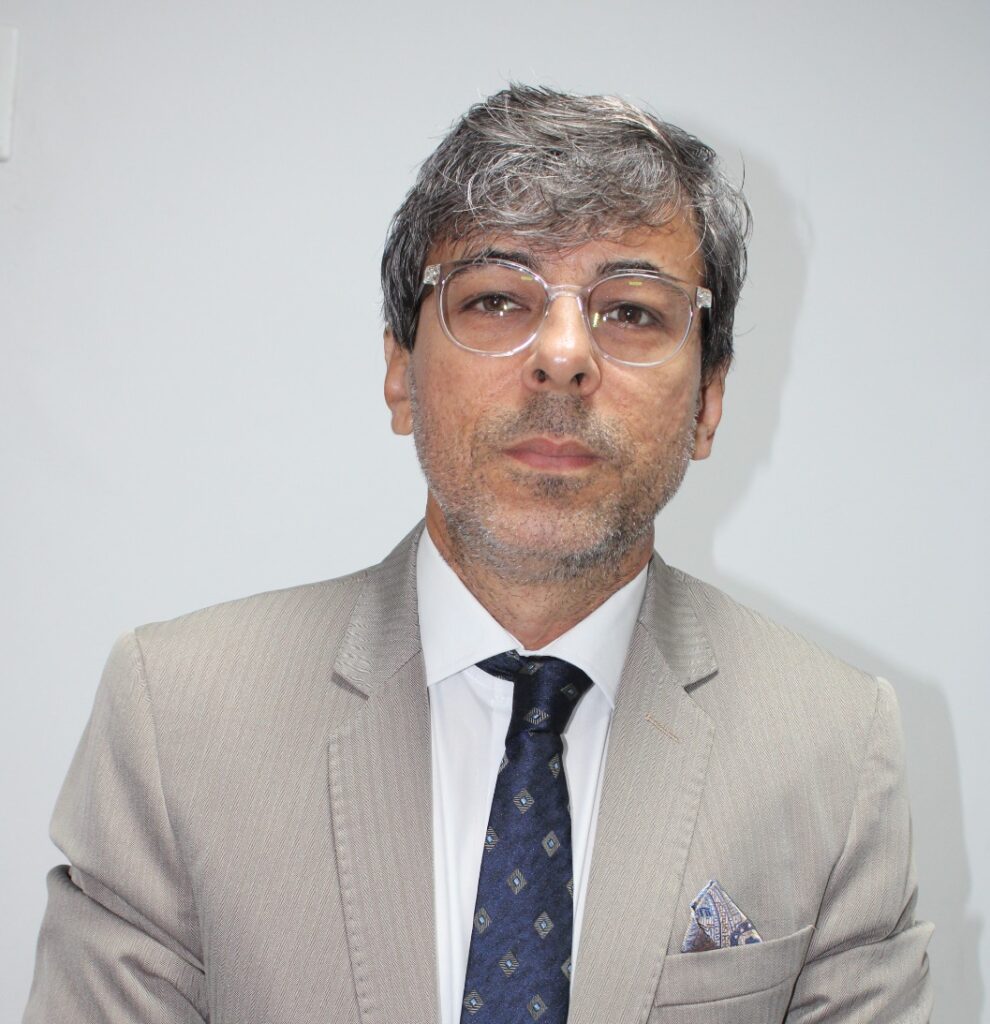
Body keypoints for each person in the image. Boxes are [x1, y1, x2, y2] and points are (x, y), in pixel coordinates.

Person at [24, 85, 932, 1023]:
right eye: (497, 298)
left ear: (708, 402)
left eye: (630, 312)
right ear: (400, 372)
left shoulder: (834, 750)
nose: (564, 356)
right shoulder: (176, 720)